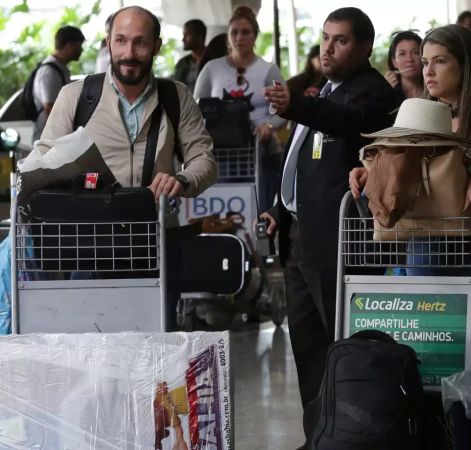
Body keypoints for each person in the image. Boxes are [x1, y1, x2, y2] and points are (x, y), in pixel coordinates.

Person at [349, 24, 471, 450]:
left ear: (465, 64)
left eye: (440, 61)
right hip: (425, 245)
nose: (428, 71)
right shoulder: (418, 112)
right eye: (425, 62)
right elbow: (402, 172)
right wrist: (371, 175)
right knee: (432, 358)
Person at [260, 7, 400, 444]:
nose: (327, 47)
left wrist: (299, 104)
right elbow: (302, 163)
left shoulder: (370, 94)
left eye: (339, 40)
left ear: (363, 48)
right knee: (307, 349)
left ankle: (350, 434)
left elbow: (346, 124)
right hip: (300, 239)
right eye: (324, 38)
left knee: (343, 345)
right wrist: (279, 210)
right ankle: (317, 435)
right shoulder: (325, 91)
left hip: (340, 244)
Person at [38, 6, 217, 327]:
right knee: (90, 351)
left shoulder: (175, 97)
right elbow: (42, 164)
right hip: (89, 247)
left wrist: (181, 179)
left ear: (157, 46)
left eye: (140, 43)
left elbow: (204, 159)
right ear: (108, 43)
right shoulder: (76, 97)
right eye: (121, 41)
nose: (129, 53)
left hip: (158, 245)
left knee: (157, 352)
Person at [194, 6, 286, 211]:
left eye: (246, 32)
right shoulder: (212, 69)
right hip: (221, 153)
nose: (239, 37)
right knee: (225, 213)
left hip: (261, 153)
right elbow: (196, 109)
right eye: (234, 32)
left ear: (255, 36)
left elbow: (283, 109)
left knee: (259, 211)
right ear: (228, 37)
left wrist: (268, 127)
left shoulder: (268, 70)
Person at [32, 25, 85, 142]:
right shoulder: (49, 71)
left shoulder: (60, 68)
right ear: (69, 45)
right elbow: (50, 108)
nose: (81, 50)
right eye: (79, 46)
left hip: (57, 138)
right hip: (48, 139)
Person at [384, 30, 424, 101]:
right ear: (394, 62)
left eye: (416, 52)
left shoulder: (434, 91)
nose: (410, 59)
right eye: (402, 54)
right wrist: (384, 92)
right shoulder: (388, 92)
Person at [173, 19, 206, 92]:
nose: (183, 39)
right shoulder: (182, 63)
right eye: (183, 35)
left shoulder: (213, 59)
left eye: (188, 34)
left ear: (200, 36)